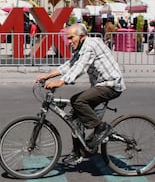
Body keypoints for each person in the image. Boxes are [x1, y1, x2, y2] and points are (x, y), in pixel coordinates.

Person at [35, 23, 126, 165]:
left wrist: (60, 82)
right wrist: (48, 75)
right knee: (74, 118)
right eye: (68, 39)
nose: (69, 42)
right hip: (100, 85)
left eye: (71, 38)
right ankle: (78, 153)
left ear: (82, 35)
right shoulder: (81, 47)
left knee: (78, 101)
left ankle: (101, 128)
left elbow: (80, 67)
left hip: (111, 84)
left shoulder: (91, 44)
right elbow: (70, 64)